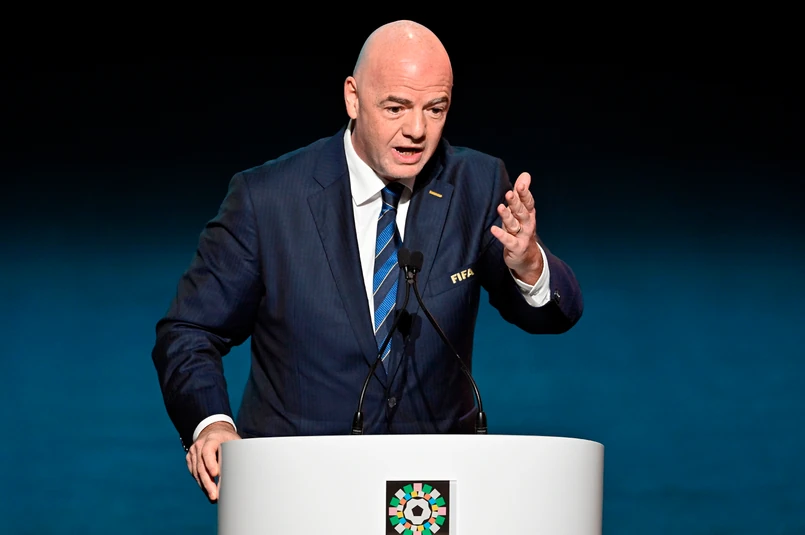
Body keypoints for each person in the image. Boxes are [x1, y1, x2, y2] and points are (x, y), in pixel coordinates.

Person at [151, 20, 583, 503]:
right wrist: (212, 424)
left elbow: (555, 315)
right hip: (298, 491)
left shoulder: (477, 185)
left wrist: (529, 264)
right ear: (353, 98)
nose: (416, 130)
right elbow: (189, 331)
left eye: (435, 109)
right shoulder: (268, 199)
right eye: (396, 107)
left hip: (429, 498)